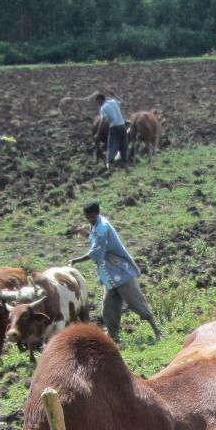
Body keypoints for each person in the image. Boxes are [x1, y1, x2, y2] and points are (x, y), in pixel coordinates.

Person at [72, 200, 163, 342]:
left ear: (97, 213)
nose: (89, 220)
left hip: (121, 272)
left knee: (136, 303)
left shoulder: (102, 228)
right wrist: (87, 234)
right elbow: (97, 241)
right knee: (109, 308)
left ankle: (157, 331)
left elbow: (96, 252)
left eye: (92, 217)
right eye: (87, 217)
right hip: (110, 275)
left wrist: (75, 261)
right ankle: (113, 336)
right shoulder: (96, 225)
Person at [94, 92, 127, 170]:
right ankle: (125, 164)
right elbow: (123, 103)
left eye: (98, 101)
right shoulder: (113, 101)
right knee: (124, 145)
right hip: (122, 126)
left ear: (100, 100)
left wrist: (97, 133)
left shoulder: (103, 108)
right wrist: (115, 95)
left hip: (114, 127)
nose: (98, 104)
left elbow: (102, 121)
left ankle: (110, 165)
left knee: (112, 146)